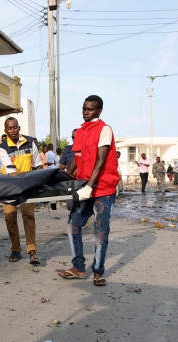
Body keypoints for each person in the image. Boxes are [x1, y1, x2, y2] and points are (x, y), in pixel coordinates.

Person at [59, 95, 119, 287]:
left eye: (90, 109)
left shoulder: (104, 130)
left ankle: (98, 271)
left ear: (99, 110)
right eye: (84, 108)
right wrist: (65, 177)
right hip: (82, 186)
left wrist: (90, 187)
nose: (86, 112)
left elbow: (100, 161)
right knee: (73, 225)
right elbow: (77, 157)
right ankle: (78, 267)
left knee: (100, 231)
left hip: (102, 188)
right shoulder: (81, 131)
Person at [0, 117, 42, 265]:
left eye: (15, 127)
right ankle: (15, 250)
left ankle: (32, 251)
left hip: (27, 187)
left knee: (28, 216)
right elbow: (10, 170)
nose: (13, 130)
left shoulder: (30, 142)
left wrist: (37, 184)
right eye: (9, 128)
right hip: (8, 187)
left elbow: (37, 165)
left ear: (19, 128)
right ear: (5, 131)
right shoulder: (2, 148)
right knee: (10, 217)